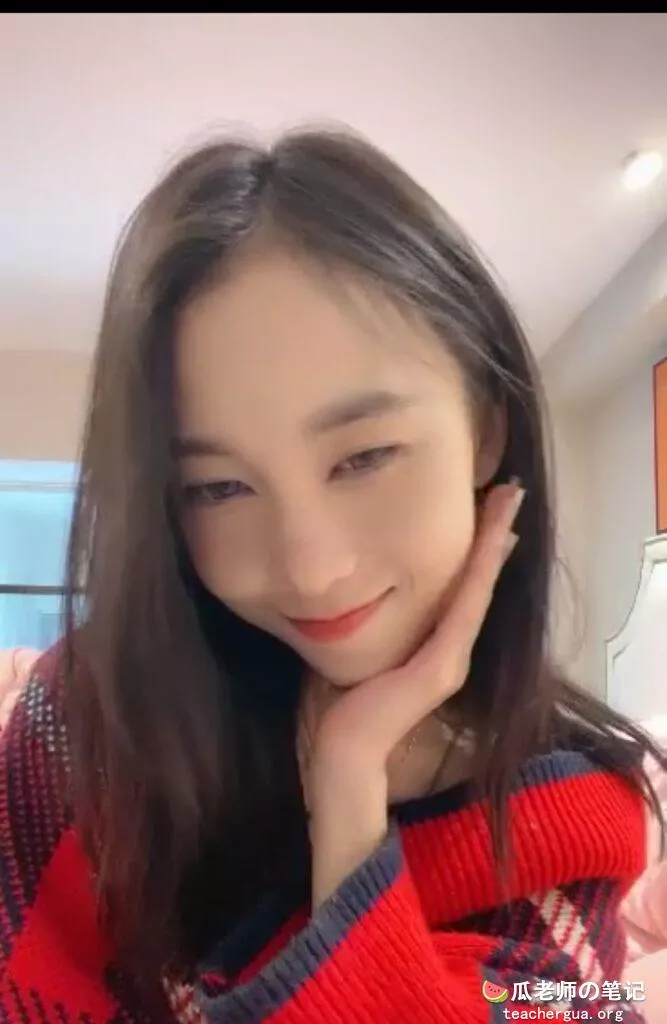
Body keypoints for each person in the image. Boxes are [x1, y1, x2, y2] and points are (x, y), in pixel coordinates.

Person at [0, 127, 664, 1024]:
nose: (312, 569)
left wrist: (348, 807)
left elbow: (576, 1007)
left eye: (363, 457)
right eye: (218, 487)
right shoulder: (87, 719)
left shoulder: (575, 813)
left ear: (486, 431)